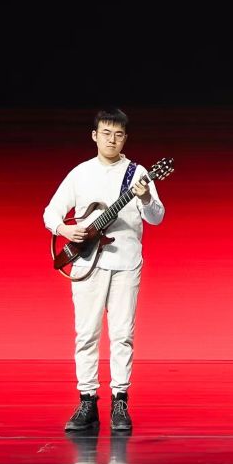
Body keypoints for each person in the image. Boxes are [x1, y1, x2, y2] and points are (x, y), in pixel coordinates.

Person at [43, 109, 163, 435]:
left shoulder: (138, 173)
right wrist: (65, 230)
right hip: (87, 262)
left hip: (126, 263)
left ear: (126, 138)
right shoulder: (80, 173)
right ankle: (87, 401)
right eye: (106, 133)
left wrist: (146, 197)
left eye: (118, 135)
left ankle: (120, 401)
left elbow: (156, 217)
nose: (112, 140)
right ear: (94, 135)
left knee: (123, 334)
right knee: (86, 334)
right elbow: (51, 212)